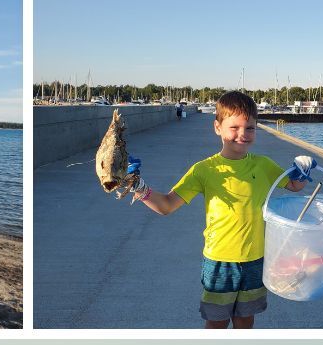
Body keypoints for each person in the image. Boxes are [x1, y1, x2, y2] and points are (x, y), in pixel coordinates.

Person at [127, 91, 309, 328]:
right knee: (216, 323)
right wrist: (137, 187)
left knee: (245, 320)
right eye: (234, 127)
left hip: (255, 261)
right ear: (217, 127)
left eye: (250, 128)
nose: (242, 135)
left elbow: (294, 185)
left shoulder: (264, 166)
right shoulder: (204, 170)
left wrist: (303, 170)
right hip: (219, 263)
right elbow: (167, 205)